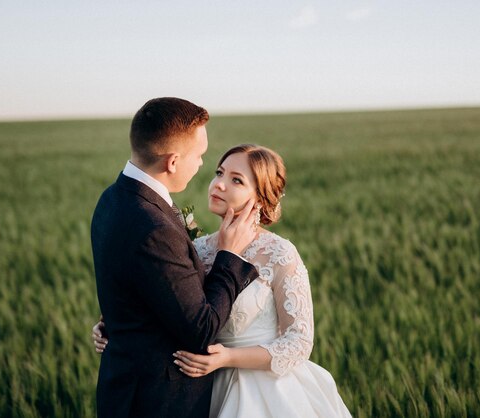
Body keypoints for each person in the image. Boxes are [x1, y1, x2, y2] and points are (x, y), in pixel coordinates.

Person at [93, 144, 352, 417]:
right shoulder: (198, 247)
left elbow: (299, 341)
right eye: (219, 173)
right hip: (200, 388)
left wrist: (227, 358)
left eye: (236, 180)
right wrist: (113, 324)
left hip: (265, 391)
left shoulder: (279, 254)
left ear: (260, 198)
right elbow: (176, 307)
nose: (219, 185)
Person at [91, 98, 260, 418]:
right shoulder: (154, 226)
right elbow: (201, 329)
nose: (201, 165)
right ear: (172, 162)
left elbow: (134, 283)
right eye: (199, 156)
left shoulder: (112, 197)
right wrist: (229, 254)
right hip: (157, 402)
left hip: (123, 387)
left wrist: (114, 323)